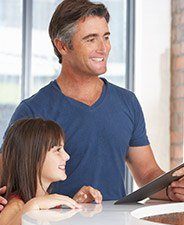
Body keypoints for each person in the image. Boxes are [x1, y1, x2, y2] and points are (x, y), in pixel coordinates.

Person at [1, 0, 184, 208]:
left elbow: (147, 173)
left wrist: (171, 189)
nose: (103, 48)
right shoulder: (32, 111)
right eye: (91, 39)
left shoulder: (127, 102)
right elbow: (8, 179)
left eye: (106, 37)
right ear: (62, 45)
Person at [0, 118, 102, 225]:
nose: (67, 156)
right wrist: (33, 205)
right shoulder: (16, 205)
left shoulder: (49, 201)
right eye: (57, 150)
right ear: (33, 157)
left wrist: (74, 204)